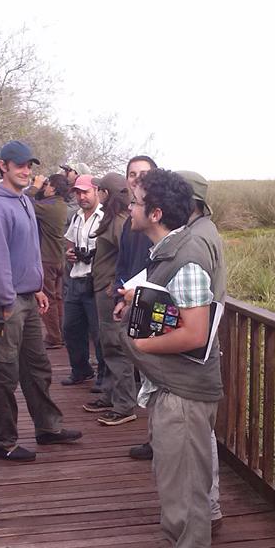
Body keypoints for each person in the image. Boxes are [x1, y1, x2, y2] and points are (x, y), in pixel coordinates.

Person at [117, 168, 221, 548]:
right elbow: (175, 312)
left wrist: (140, 341)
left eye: (135, 202)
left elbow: (196, 333)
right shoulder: (169, 250)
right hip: (170, 387)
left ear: (155, 212)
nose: (129, 208)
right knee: (173, 485)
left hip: (183, 393)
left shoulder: (188, 254)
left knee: (186, 490)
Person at [0, 140, 82, 462]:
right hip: (6, 302)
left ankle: (48, 428)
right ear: (3, 166)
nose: (26, 171)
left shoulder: (22, 201)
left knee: (37, 366)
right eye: (19, 165)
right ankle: (2, 442)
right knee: (4, 373)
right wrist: (9, 299)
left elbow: (25, 251)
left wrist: (36, 286)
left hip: (26, 297)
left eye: (29, 166)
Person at [177, 170, 226, 535]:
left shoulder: (196, 239)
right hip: (203, 345)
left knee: (198, 438)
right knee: (201, 435)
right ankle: (208, 509)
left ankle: (206, 512)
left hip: (197, 351)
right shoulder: (202, 232)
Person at [81, 173, 137, 425]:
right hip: (102, 290)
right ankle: (111, 395)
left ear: (106, 193)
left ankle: (124, 404)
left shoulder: (119, 222)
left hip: (108, 292)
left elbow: (128, 259)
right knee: (107, 345)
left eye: (99, 190)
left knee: (116, 347)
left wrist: (116, 286)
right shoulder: (114, 219)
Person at [116, 155, 158, 460]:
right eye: (132, 173)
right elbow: (124, 262)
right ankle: (153, 436)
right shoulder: (131, 217)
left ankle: (158, 440)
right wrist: (122, 296)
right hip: (130, 298)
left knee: (156, 373)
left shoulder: (159, 217)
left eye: (144, 173)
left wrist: (137, 293)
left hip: (151, 300)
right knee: (145, 372)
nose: (137, 178)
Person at [61, 173, 106, 386]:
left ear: (96, 190)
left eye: (85, 192)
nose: (81, 197)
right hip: (76, 278)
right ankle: (80, 369)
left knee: (98, 332)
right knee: (70, 328)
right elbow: (69, 242)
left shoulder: (105, 216)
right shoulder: (77, 216)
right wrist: (70, 253)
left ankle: (104, 377)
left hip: (95, 280)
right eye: (78, 193)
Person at [27, 172, 70, 349]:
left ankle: (54, 336)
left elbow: (25, 203)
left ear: (52, 188)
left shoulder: (49, 207)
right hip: (60, 258)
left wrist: (35, 186)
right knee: (59, 299)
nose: (45, 188)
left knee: (48, 299)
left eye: (47, 185)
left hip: (47, 259)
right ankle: (62, 333)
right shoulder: (62, 206)